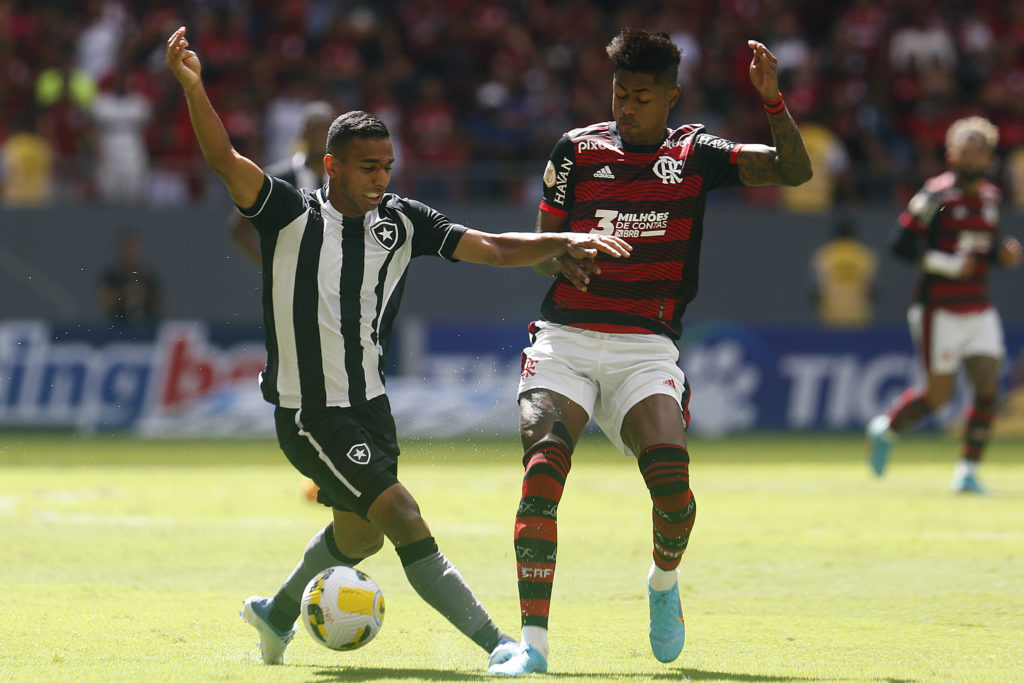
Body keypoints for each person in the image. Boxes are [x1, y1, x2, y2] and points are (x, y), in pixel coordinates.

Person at [164, 27, 631, 670]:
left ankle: (274, 616)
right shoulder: (288, 215)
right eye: (367, 167)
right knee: (404, 516)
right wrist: (194, 88)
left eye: (387, 166)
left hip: (371, 407)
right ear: (330, 166)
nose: (381, 179)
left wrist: (560, 243)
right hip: (311, 414)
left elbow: (492, 248)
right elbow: (224, 159)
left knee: (359, 535)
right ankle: (499, 644)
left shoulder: (402, 221)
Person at [489, 28, 811, 676]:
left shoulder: (698, 153)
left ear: (672, 97)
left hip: (645, 349)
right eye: (619, 94)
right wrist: (565, 250)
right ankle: (534, 647)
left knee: (672, 486)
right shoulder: (577, 150)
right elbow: (540, 246)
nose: (625, 107)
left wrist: (773, 103)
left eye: (640, 96)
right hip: (567, 340)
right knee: (542, 475)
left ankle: (663, 582)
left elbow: (794, 171)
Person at [866, 116, 1022, 494]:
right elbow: (901, 243)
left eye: (979, 151)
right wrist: (948, 264)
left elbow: (983, 249)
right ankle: (887, 428)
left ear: (989, 155)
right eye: (965, 151)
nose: (972, 158)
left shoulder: (990, 197)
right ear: (951, 153)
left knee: (987, 387)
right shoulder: (938, 197)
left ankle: (967, 470)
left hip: (978, 306)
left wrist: (1003, 256)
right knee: (938, 397)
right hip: (938, 308)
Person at [228, 100, 335, 263]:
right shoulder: (280, 177)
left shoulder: (345, 178)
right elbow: (239, 228)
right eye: (314, 129)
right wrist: (270, 264)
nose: (320, 135)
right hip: (292, 282)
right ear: (303, 134)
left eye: (325, 129)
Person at [810, 217, 878, 328]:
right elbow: (874, 290)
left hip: (830, 317)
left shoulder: (823, 255)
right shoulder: (865, 255)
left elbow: (815, 290)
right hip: (859, 317)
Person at [97, 228, 162, 325]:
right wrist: (124, 295)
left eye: (133, 247)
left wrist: (144, 295)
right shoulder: (112, 276)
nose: (130, 252)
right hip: (115, 325)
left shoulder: (148, 275)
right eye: (127, 247)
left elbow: (160, 302)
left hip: (147, 326)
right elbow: (104, 303)